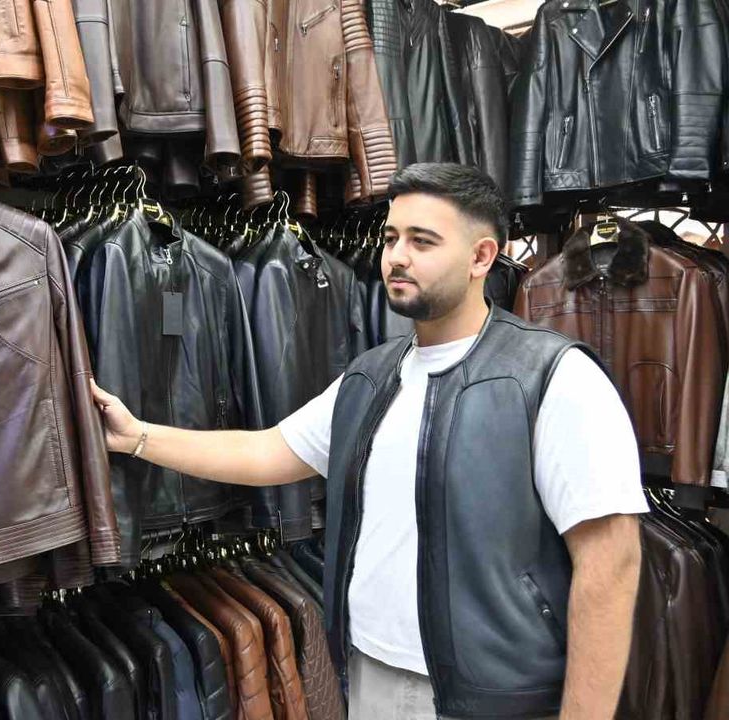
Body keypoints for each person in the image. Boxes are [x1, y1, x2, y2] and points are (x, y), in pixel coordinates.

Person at [90, 163, 646, 720]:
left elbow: (611, 563)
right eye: (391, 237)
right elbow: (269, 452)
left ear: (481, 257)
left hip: (498, 694)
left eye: (422, 241)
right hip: (369, 673)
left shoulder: (553, 377)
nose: (396, 256)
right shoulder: (371, 376)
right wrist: (139, 436)